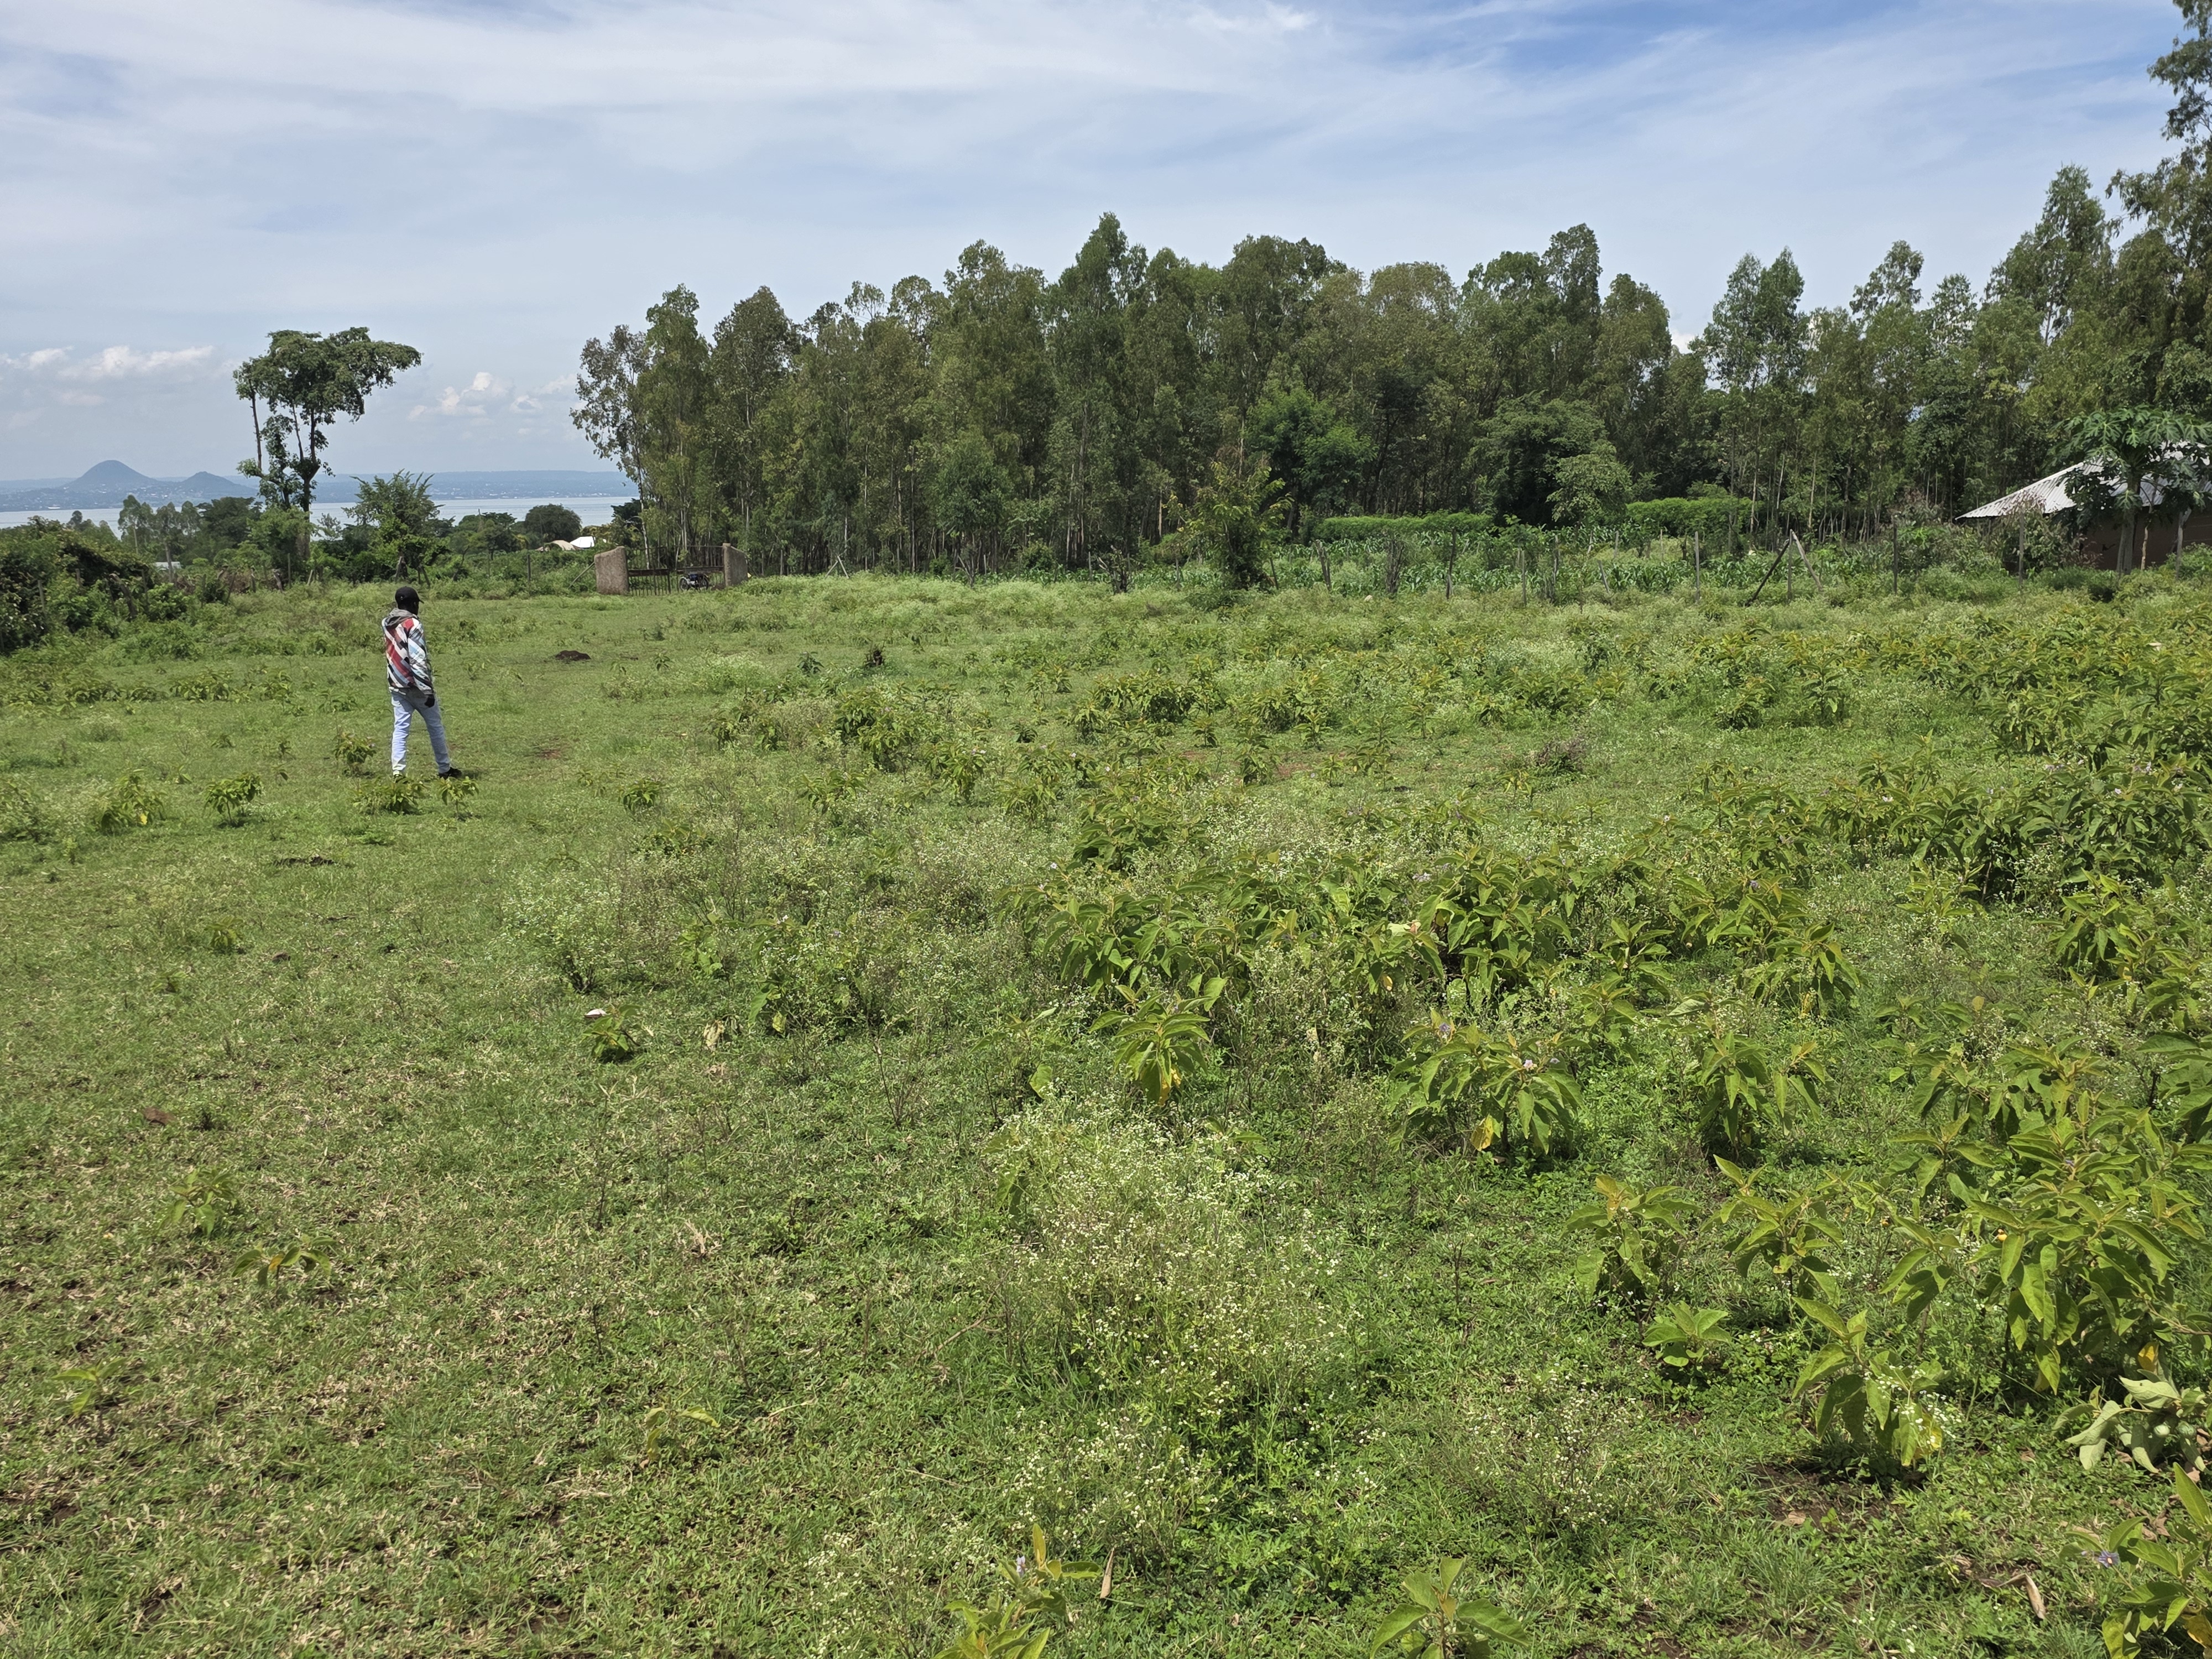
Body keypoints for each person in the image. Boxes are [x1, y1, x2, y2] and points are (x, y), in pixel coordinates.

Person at [382, 586, 459, 778]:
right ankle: (444, 769)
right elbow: (417, 659)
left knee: (400, 729)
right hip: (415, 685)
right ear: (414, 604)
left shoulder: (387, 623)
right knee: (435, 726)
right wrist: (427, 690)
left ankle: (398, 773)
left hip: (396, 683)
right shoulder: (413, 625)